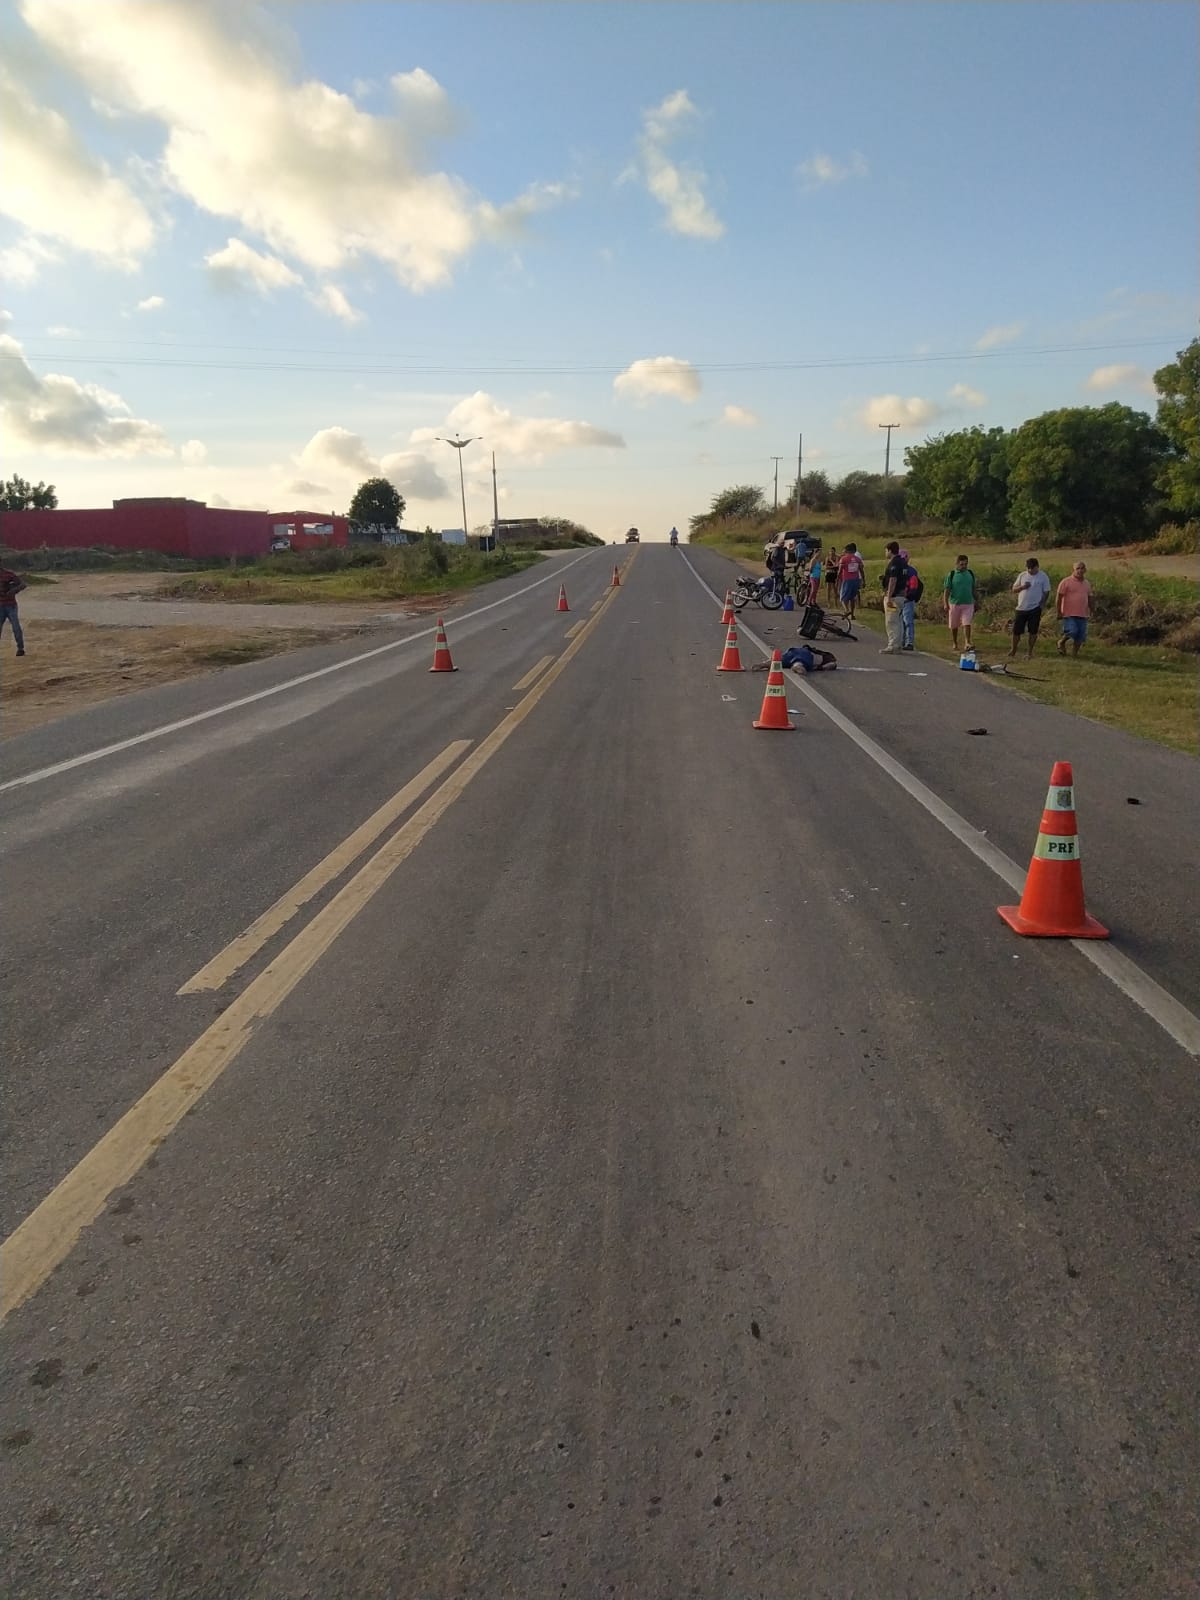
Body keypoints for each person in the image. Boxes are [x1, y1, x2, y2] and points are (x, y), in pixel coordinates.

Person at [1009, 556, 1051, 659]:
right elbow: (1014, 589)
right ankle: (1013, 649)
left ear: (1037, 567)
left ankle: (1029, 652)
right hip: (1021, 608)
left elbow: (1046, 591)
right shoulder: (1022, 575)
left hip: (1035, 608)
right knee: (1016, 631)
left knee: (1033, 631)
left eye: (1032, 568)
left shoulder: (1043, 576)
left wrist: (1042, 603)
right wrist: (1022, 587)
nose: (1030, 570)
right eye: (1028, 568)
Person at [942, 554, 979, 651]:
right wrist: (945, 603)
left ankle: (967, 642)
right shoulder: (952, 574)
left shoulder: (970, 574)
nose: (964, 566)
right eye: (962, 564)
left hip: (968, 603)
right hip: (955, 603)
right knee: (954, 625)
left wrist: (977, 599)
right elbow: (947, 590)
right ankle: (955, 642)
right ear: (957, 564)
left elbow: (973, 588)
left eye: (966, 564)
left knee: (967, 623)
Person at [1056, 560, 1092, 657]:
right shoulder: (1065, 582)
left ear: (1085, 570)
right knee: (1072, 631)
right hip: (1069, 613)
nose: (1080, 571)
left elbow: (1089, 597)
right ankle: (1062, 642)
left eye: (1082, 568)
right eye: (1077, 568)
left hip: (1083, 613)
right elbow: (1059, 597)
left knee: (1080, 635)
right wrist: (1059, 611)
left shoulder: (1087, 583)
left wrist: (1091, 609)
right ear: (1073, 570)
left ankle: (1074, 654)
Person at [880, 540, 907, 654]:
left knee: (891, 621)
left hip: (894, 596)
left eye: (886, 551)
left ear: (890, 550)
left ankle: (893, 645)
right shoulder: (903, 562)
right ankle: (899, 643)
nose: (885, 553)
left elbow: (893, 580)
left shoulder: (894, 563)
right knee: (898, 621)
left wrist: (889, 596)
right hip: (901, 595)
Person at [897, 548, 922, 652]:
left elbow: (914, 585)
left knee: (908, 621)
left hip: (907, 599)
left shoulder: (911, 571)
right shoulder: (897, 569)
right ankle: (902, 641)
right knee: (900, 621)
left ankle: (909, 642)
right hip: (898, 598)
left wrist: (909, 596)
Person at [0, 563, 27, 656]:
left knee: (16, 627)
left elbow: (23, 584)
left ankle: (20, 648)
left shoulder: (8, 574)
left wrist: (13, 591)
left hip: (10, 605)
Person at [836, 542, 866, 620]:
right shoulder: (857, 559)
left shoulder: (844, 559)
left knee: (842, 597)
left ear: (847, 550)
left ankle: (846, 610)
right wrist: (863, 580)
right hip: (856, 580)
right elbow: (861, 570)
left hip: (847, 580)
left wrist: (837, 580)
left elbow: (839, 571)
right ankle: (852, 614)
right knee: (852, 598)